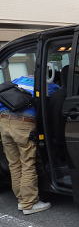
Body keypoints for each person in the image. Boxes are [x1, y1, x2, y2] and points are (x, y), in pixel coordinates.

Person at [0, 76, 52, 215]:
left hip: (4, 122)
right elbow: (55, 99)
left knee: (14, 164)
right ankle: (29, 203)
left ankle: (21, 200)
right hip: (23, 123)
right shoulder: (45, 84)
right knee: (28, 163)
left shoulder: (16, 81)